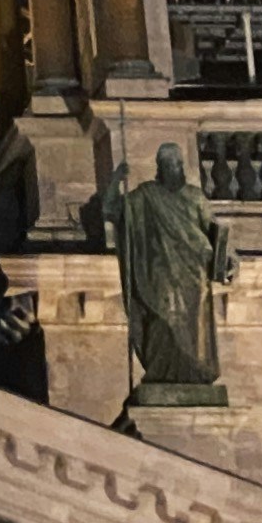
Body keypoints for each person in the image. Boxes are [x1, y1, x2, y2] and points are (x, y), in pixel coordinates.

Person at [106, 143, 238, 391]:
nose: (172, 169)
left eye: (176, 164)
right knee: (162, 319)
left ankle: (195, 370)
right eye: (167, 165)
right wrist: (115, 180)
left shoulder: (194, 197)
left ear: (181, 167)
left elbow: (213, 231)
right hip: (160, 273)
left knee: (194, 327)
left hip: (193, 274)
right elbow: (112, 210)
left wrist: (229, 258)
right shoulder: (146, 195)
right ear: (160, 169)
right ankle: (162, 369)